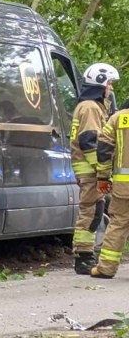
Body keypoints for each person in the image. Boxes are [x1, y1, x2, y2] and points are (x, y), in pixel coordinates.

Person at [71, 63, 119, 274]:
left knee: (95, 211)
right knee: (90, 212)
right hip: (90, 170)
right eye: (109, 83)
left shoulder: (92, 105)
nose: (112, 88)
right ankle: (83, 258)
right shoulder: (90, 107)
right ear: (100, 84)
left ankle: (86, 254)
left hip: (89, 169)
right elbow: (90, 141)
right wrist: (102, 171)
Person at [89, 105, 129, 278]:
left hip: (124, 187)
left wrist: (103, 177)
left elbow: (103, 150)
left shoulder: (118, 118)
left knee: (118, 224)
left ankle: (106, 268)